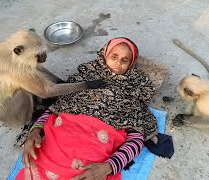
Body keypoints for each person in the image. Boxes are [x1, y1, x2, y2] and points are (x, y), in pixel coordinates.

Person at [17, 37, 158, 180]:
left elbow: (136, 139)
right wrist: (35, 132)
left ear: (131, 64)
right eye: (114, 57)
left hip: (96, 145)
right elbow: (55, 109)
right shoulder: (85, 77)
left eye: (124, 60)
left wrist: (109, 166)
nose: (118, 63)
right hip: (65, 131)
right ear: (104, 55)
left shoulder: (133, 91)